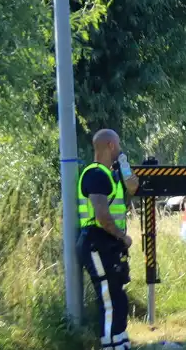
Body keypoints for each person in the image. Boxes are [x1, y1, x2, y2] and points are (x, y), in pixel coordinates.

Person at [77, 128, 139, 350]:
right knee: (109, 300)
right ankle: (109, 345)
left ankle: (120, 343)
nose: (121, 149)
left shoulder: (111, 174)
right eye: (118, 145)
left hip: (109, 244)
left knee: (117, 297)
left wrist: (124, 166)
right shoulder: (95, 174)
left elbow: (134, 187)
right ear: (111, 146)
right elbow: (102, 215)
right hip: (97, 241)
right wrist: (123, 236)